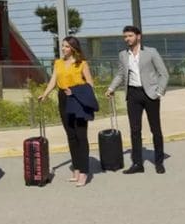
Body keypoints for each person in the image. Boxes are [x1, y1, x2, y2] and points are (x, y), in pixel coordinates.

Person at [105, 25, 170, 174]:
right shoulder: (123, 54)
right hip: (133, 94)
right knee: (135, 130)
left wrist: (159, 92)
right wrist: (111, 88)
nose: (127, 39)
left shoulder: (151, 52)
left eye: (130, 36)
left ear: (138, 36)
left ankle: (159, 162)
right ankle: (137, 164)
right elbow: (121, 74)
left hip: (150, 94)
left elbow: (164, 73)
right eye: (125, 36)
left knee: (156, 129)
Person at [38, 36, 98, 187]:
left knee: (81, 136)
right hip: (63, 98)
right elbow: (53, 80)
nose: (63, 49)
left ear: (73, 48)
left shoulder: (81, 63)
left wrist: (76, 92)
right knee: (71, 136)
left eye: (65, 46)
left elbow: (90, 83)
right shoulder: (58, 63)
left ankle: (84, 172)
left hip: (78, 100)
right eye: (62, 46)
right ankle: (76, 169)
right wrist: (45, 94)